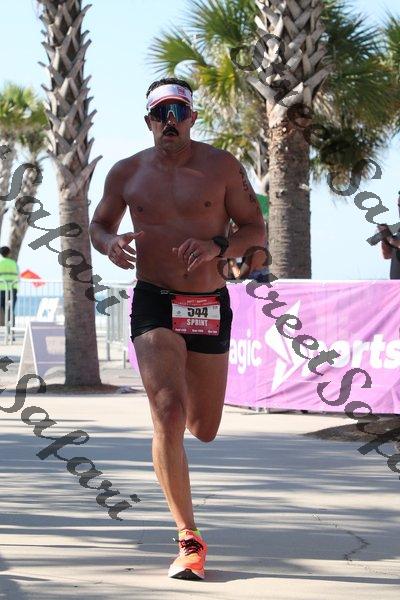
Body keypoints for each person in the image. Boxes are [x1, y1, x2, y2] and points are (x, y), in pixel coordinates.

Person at [89, 77, 266, 581]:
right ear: (148, 121)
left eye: (179, 112)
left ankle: (183, 417)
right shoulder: (126, 172)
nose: (170, 121)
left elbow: (254, 228)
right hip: (154, 300)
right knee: (167, 411)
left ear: (192, 118)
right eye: (161, 112)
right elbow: (99, 225)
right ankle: (189, 537)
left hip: (207, 301)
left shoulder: (222, 167)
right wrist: (109, 244)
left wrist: (218, 248)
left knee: (202, 428)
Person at [379, 192, 400, 279]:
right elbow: (387, 255)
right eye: (399, 205)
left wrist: (391, 239)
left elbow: (396, 243)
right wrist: (384, 238)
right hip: (395, 285)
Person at [0, 246, 19, 329]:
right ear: (9, 253)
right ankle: (11, 329)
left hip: (2, 289)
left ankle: (5, 328)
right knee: (11, 310)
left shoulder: (0, 263)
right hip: (12, 288)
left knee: (3, 309)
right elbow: (18, 275)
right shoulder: (13, 263)